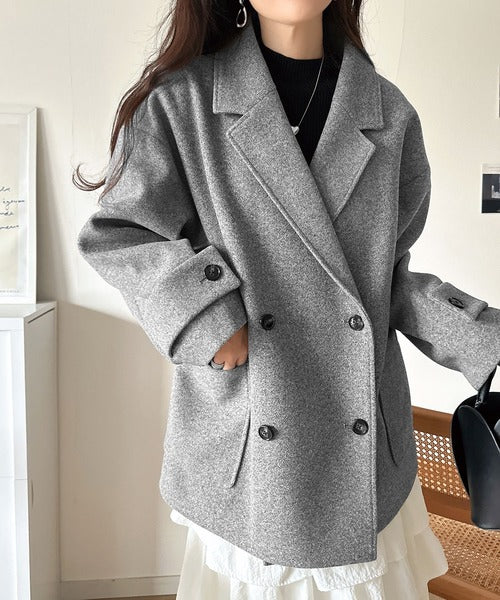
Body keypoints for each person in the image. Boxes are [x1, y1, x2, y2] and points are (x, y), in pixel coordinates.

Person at [75, 1, 500, 598]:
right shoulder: (183, 104)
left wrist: (485, 339)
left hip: (363, 455)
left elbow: (385, 280)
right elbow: (120, 233)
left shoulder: (389, 113)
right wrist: (205, 314)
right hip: (250, 440)